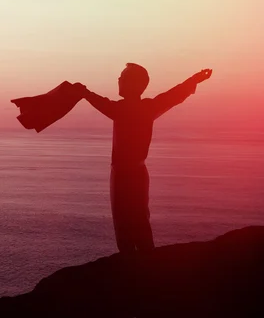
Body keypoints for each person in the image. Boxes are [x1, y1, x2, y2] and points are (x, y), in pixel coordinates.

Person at [73, 64, 212, 253]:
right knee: (134, 224)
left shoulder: (126, 109)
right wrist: (194, 80)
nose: (119, 80)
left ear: (132, 84)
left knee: (130, 225)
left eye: (122, 77)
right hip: (130, 174)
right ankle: (142, 266)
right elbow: (174, 95)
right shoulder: (144, 107)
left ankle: (140, 269)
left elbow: (173, 94)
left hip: (126, 176)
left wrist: (85, 92)